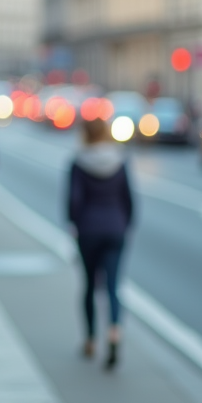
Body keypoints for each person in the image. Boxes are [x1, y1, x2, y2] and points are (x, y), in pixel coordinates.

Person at [67, 117, 134, 371]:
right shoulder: (120, 160)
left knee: (88, 286)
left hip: (88, 229)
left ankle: (90, 339)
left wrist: (75, 224)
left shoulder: (79, 162)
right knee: (114, 287)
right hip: (115, 228)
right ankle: (114, 333)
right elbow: (129, 199)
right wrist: (124, 225)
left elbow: (73, 201)